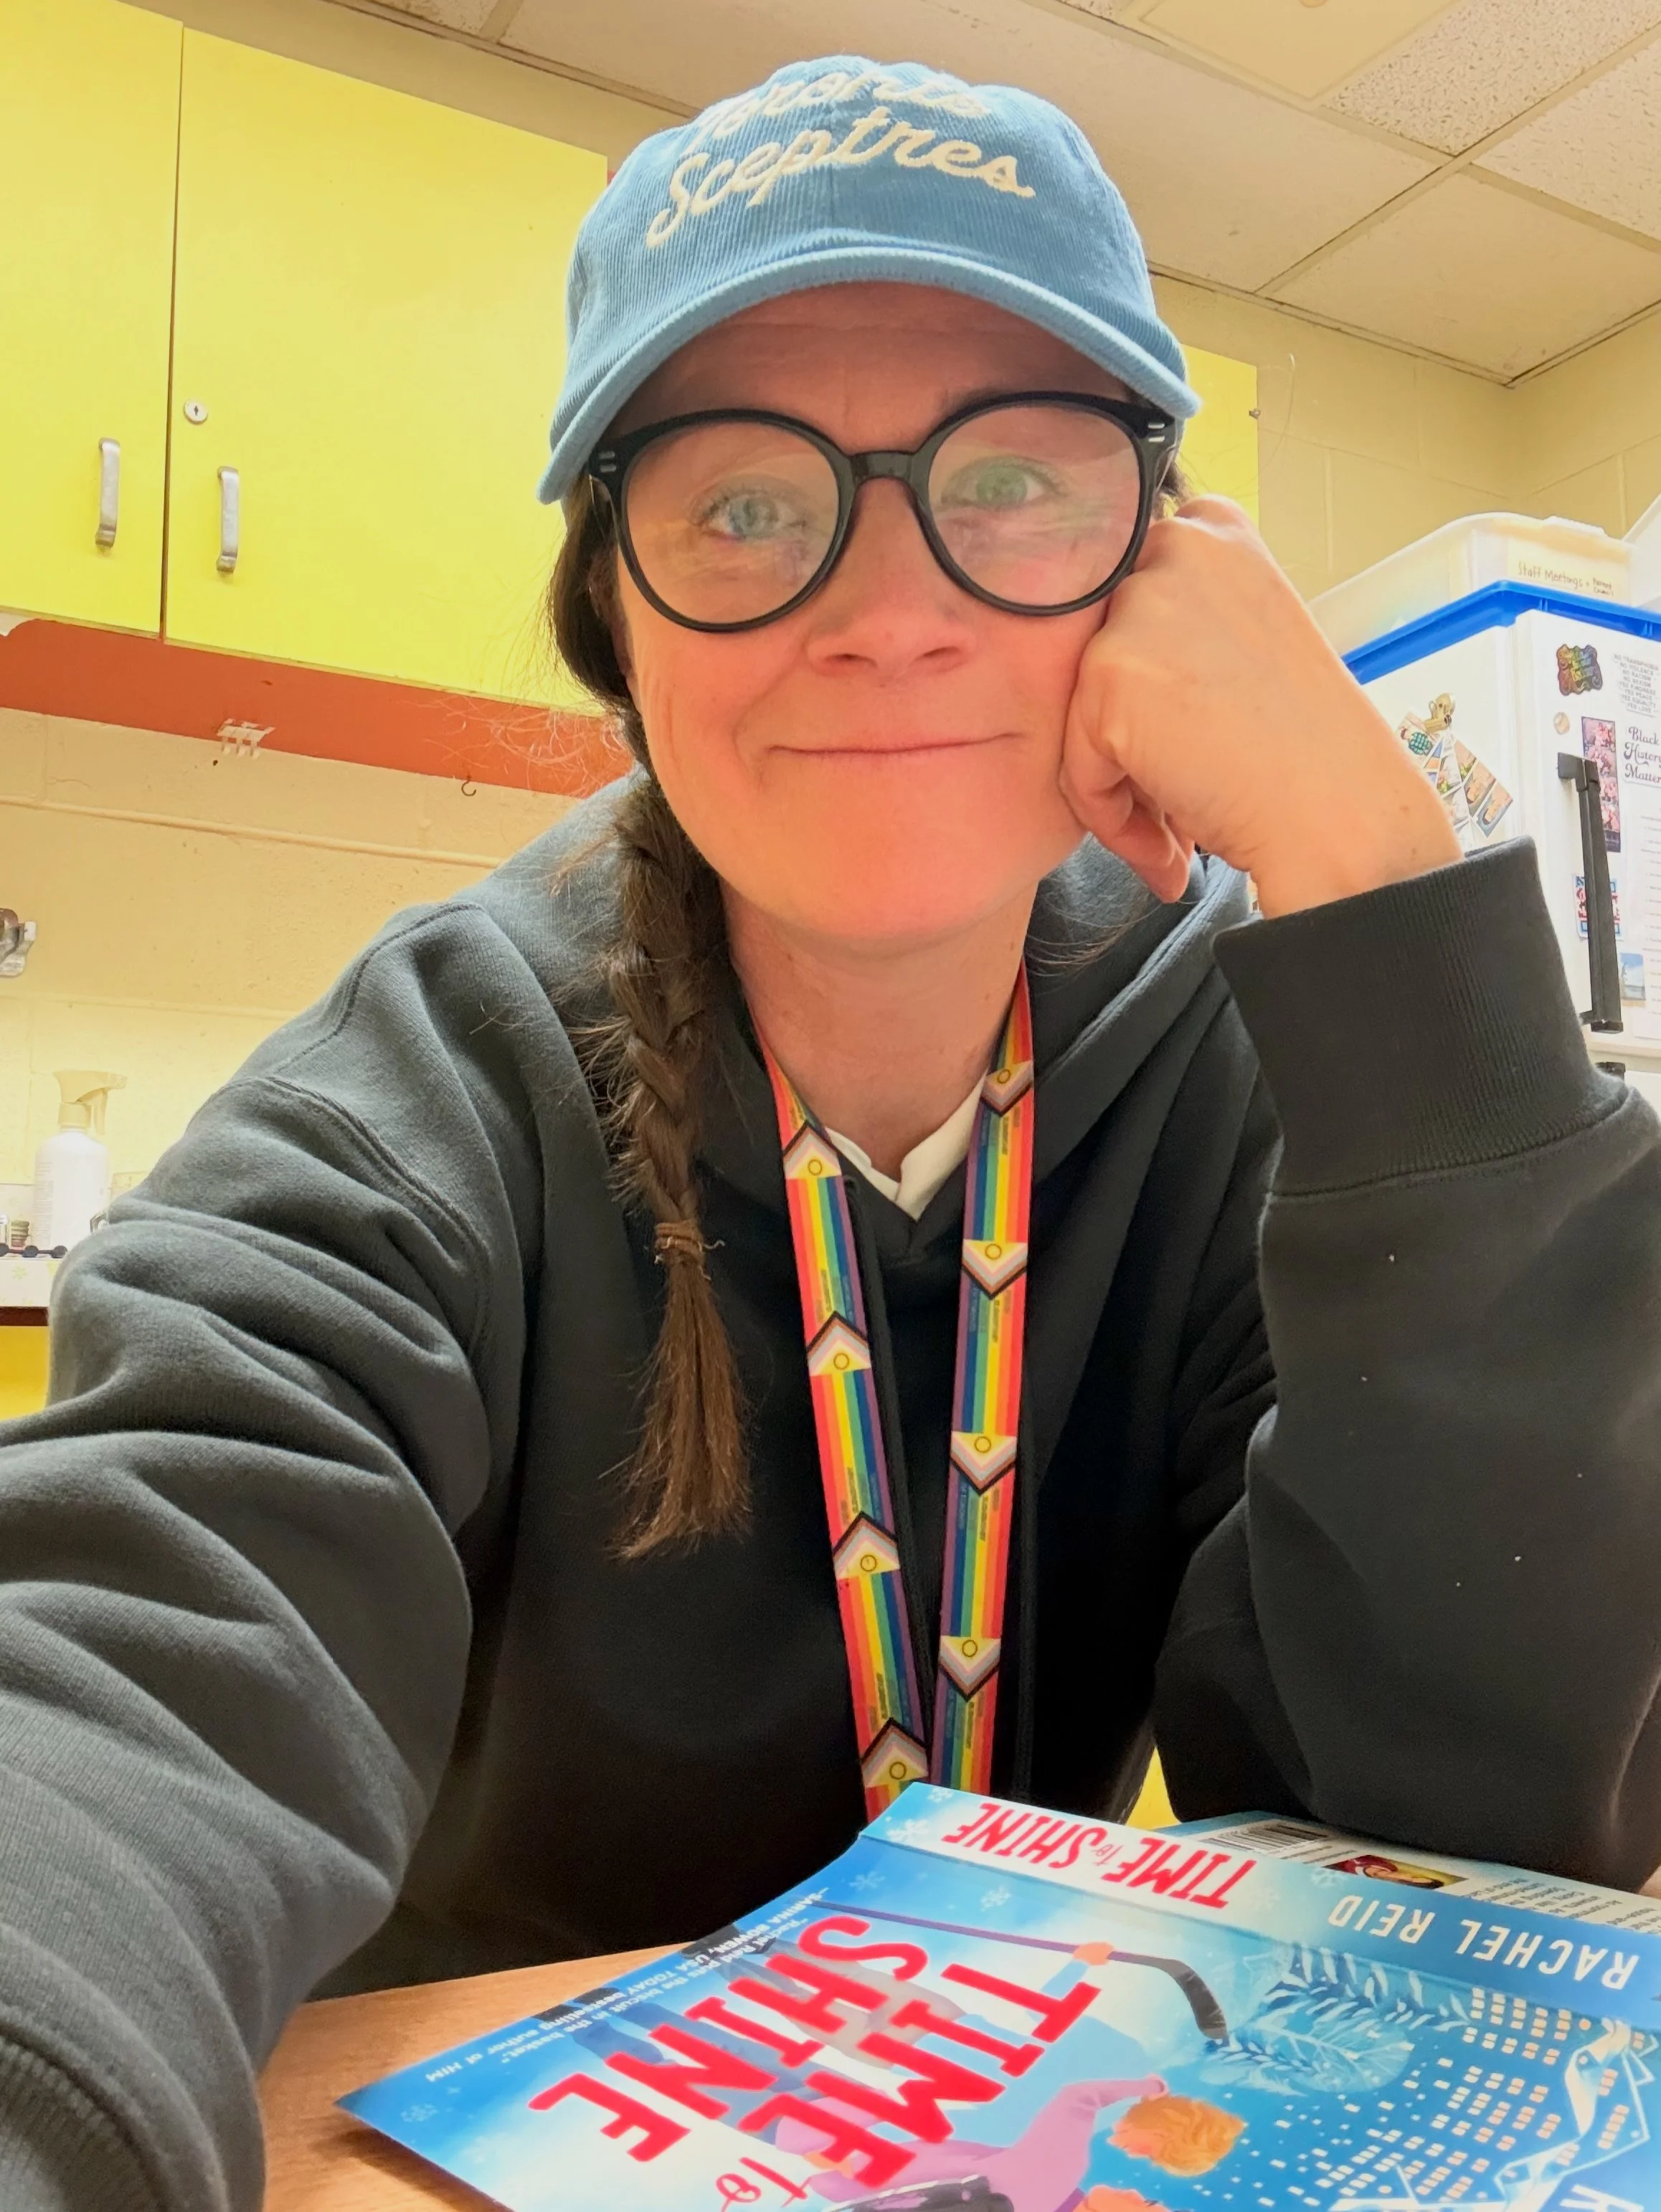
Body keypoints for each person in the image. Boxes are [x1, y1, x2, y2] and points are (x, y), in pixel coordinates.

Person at [1, 50, 1659, 2212]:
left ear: (1160, 570)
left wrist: (1378, 878)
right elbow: (121, 1679)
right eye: (744, 506)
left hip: (1034, 2123)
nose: (886, 613)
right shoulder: (430, 1084)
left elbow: (1456, 1846)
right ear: (613, 621)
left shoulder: (1257, 1068)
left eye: (1015, 479)